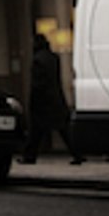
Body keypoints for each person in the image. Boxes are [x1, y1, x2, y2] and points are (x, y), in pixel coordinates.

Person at [21, 33, 83, 164]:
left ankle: (29, 156)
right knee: (63, 131)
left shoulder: (37, 60)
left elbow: (37, 84)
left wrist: (32, 101)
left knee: (36, 132)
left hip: (43, 102)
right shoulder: (53, 58)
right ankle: (77, 154)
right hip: (56, 99)